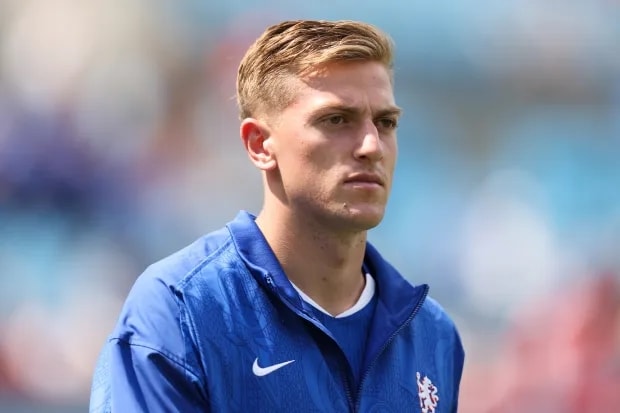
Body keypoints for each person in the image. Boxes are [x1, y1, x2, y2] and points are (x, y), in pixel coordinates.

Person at [89, 19, 465, 412]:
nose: (372, 146)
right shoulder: (181, 310)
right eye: (337, 119)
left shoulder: (432, 335)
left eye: (385, 123)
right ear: (260, 144)